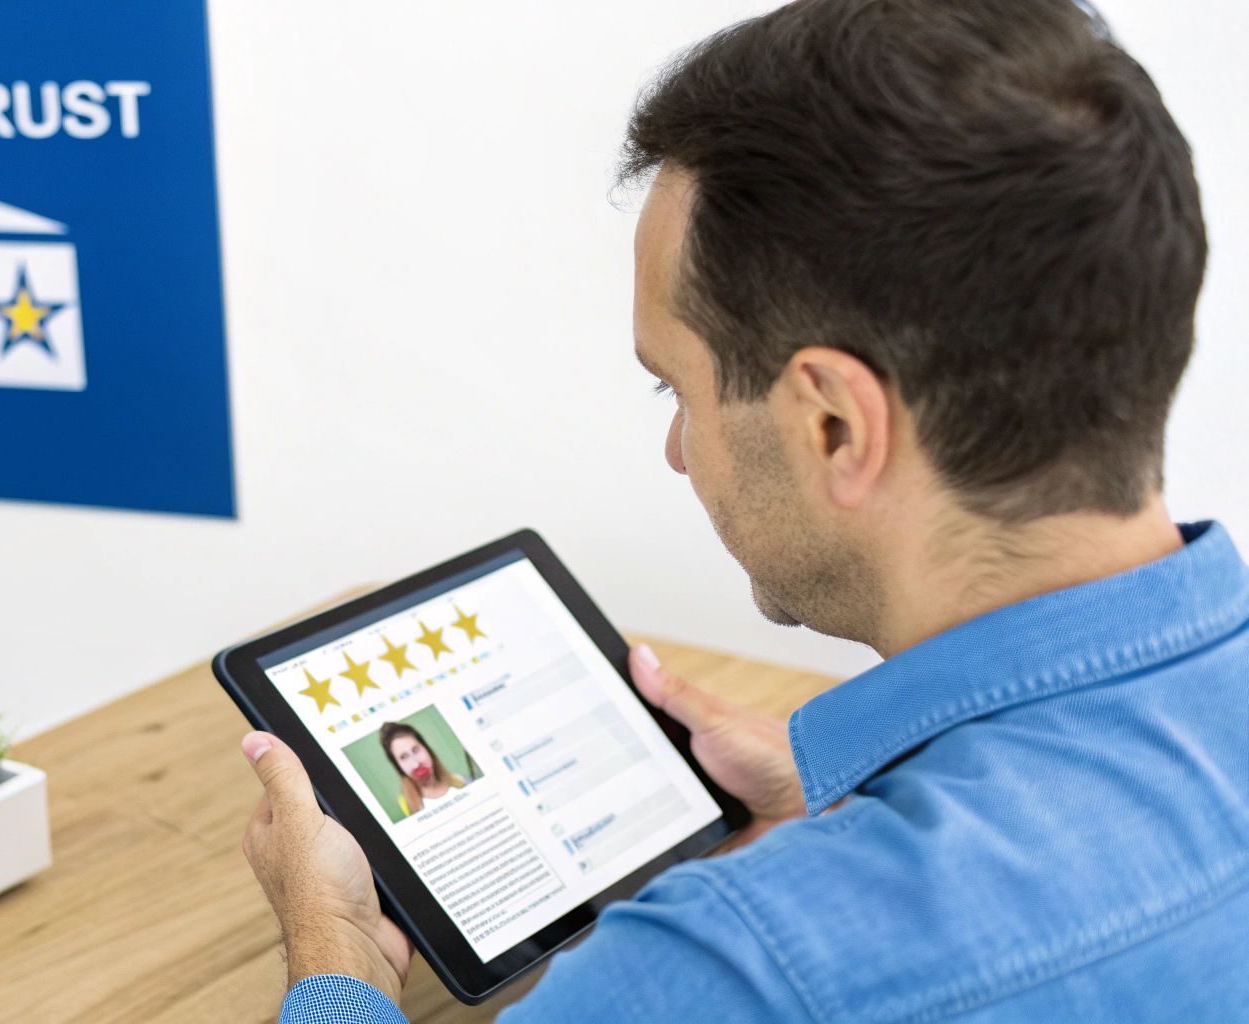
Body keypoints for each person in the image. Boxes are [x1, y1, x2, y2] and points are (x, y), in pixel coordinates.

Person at [235, 0, 1249, 1020]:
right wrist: (833, 800)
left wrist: (337, 956)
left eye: (674, 387)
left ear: (833, 427)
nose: (677, 452)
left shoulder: (731, 968)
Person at [378, 722, 469, 817]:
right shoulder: (406, 805)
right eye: (404, 757)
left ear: (426, 748)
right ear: (398, 766)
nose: (416, 764)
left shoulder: (460, 780)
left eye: (416, 750)